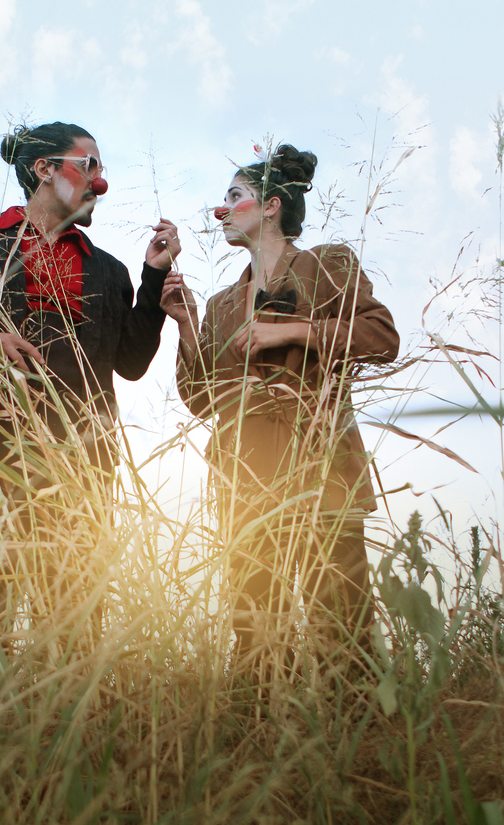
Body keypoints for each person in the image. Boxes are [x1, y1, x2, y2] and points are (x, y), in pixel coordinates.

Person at [0, 121, 180, 615]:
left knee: (76, 614)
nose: (100, 182)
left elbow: (133, 362)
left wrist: (154, 276)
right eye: (88, 165)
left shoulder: (109, 269)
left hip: (82, 456)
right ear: (45, 169)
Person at [161, 144, 399, 669]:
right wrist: (184, 324)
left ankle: (364, 742)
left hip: (320, 465)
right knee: (255, 631)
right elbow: (202, 400)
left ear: (270, 206)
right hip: (243, 474)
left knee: (342, 627)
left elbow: (382, 338)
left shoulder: (324, 265)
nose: (221, 210)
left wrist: (290, 330)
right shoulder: (223, 303)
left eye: (235, 197)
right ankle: (259, 739)